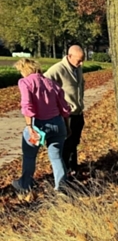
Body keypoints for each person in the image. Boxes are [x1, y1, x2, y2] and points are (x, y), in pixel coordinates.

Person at [11, 59, 71, 193]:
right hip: (57, 123)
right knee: (56, 157)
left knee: (29, 156)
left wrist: (29, 127)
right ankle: (62, 188)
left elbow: (27, 106)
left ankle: (25, 184)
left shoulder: (25, 82)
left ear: (25, 70)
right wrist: (67, 127)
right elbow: (64, 109)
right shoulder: (52, 84)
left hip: (38, 124)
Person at [45, 45, 85, 176]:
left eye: (82, 60)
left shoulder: (78, 68)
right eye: (79, 60)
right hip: (66, 115)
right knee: (66, 145)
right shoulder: (58, 69)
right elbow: (43, 83)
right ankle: (64, 172)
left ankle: (73, 168)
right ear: (69, 56)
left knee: (75, 143)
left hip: (78, 113)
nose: (81, 63)